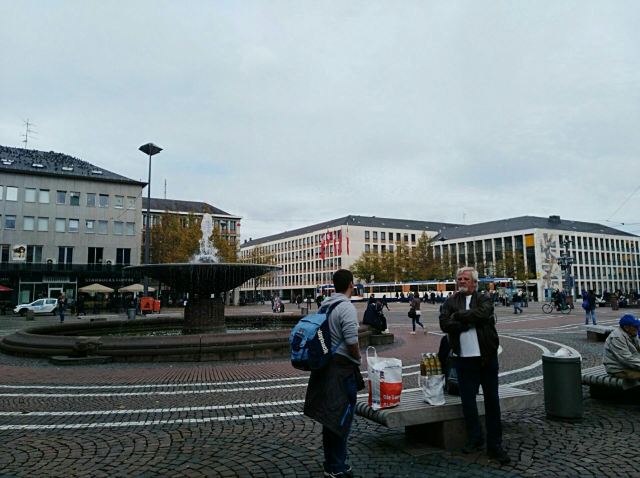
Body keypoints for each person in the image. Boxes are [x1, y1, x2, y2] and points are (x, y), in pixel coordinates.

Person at [439, 267, 510, 465]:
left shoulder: (484, 298)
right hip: (463, 359)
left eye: (466, 278)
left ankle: (495, 444)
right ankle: (475, 438)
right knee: (468, 402)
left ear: (474, 282)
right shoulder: (450, 301)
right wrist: (466, 322)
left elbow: (484, 313)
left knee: (492, 401)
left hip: (486, 357)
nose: (461, 281)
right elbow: (444, 324)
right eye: (459, 278)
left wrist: (457, 317)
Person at [304, 269, 363, 478]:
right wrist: (359, 358)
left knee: (330, 417)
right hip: (341, 370)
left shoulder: (326, 304)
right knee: (342, 418)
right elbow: (351, 340)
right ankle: (338, 466)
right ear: (351, 285)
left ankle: (330, 464)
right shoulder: (346, 307)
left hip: (325, 366)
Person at [603, 314, 640, 379]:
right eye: (635, 326)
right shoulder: (617, 337)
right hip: (618, 368)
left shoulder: (632, 333)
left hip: (629, 365)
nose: (638, 328)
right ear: (626, 327)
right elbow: (626, 359)